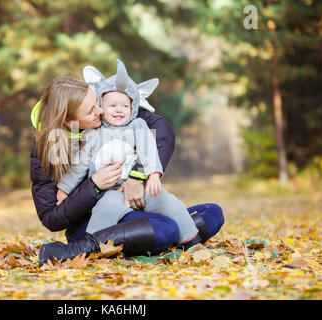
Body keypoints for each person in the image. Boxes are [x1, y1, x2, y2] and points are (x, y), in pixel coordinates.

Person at [30, 75, 224, 267]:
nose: (100, 110)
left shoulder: (114, 113)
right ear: (67, 121)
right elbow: (51, 217)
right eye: (91, 111)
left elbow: (161, 129)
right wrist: (95, 185)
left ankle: (159, 239)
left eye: (97, 102)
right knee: (167, 227)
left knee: (211, 213)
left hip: (134, 208)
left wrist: (136, 176)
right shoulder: (46, 148)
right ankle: (77, 250)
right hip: (94, 220)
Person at [56, 60, 200, 249]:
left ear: (133, 108)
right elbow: (80, 165)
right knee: (105, 210)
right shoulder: (93, 134)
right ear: (101, 107)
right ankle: (88, 248)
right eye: (112, 105)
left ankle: (193, 243)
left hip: (142, 186)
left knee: (170, 204)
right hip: (109, 192)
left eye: (125, 106)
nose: (119, 110)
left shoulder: (138, 126)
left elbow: (148, 150)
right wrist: (64, 189)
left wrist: (154, 174)